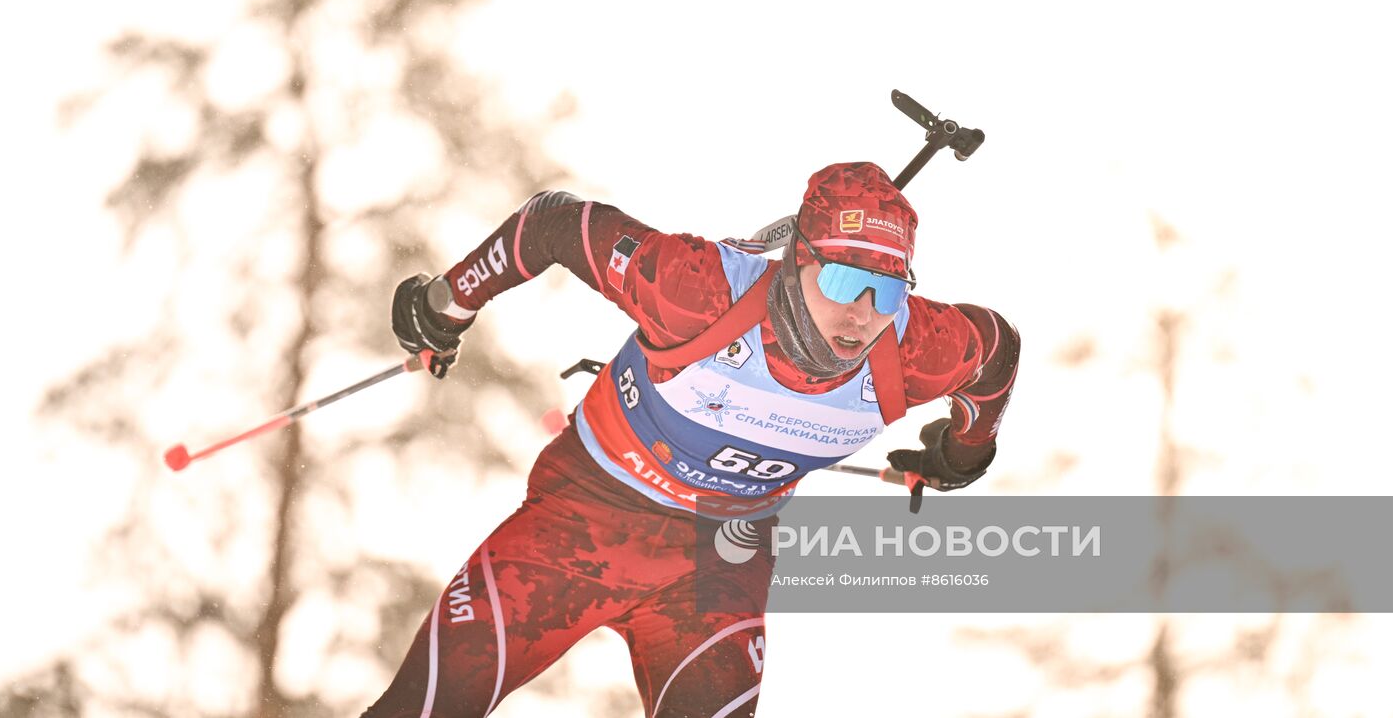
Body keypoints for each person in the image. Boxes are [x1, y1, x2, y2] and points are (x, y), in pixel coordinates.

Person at [364, 162, 1020, 718]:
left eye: (886, 291)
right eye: (845, 281)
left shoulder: (915, 348)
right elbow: (554, 224)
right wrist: (444, 306)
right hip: (573, 535)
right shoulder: (695, 286)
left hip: (713, 574)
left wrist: (962, 455)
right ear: (798, 257)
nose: (862, 314)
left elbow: (996, 351)